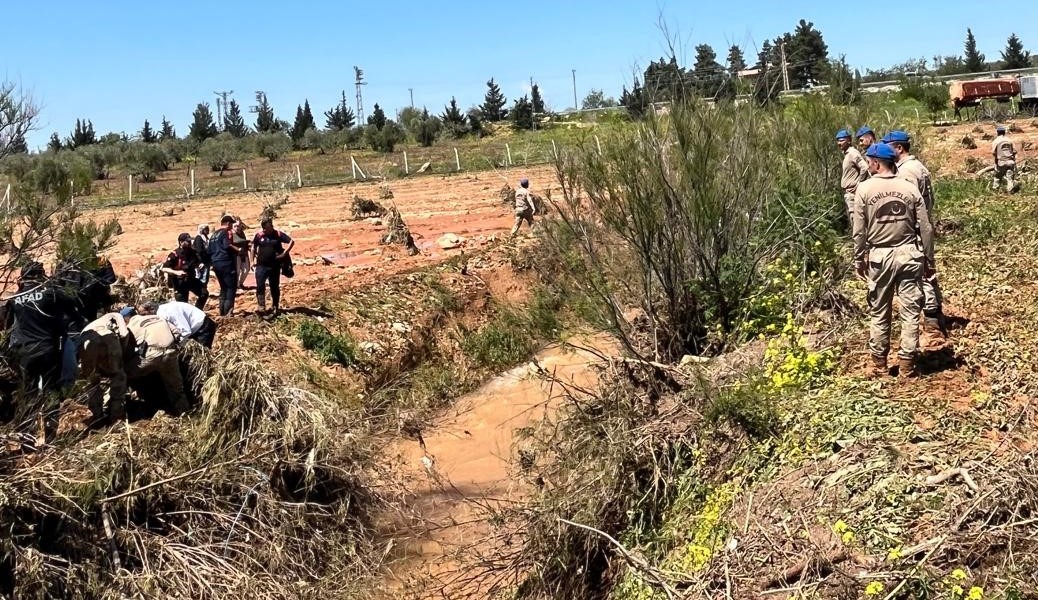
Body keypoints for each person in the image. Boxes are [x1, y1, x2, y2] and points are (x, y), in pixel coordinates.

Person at [852, 143, 934, 378]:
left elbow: (859, 231)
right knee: (910, 310)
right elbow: (926, 228)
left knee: (879, 310)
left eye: (869, 161)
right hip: (909, 254)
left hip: (880, 257)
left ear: (877, 163)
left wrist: (859, 258)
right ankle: (908, 363)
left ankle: (879, 364)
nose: (868, 165)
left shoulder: (864, 189)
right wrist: (929, 259)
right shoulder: (909, 188)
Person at [3, 262, 80, 444]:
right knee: (51, 390)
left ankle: (26, 439)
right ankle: (50, 436)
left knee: (28, 393)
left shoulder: (15, 298)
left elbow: (7, 324)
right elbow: (72, 302)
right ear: (41, 275)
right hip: (47, 349)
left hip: (23, 352)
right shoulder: (51, 293)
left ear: (23, 277)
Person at [883, 130, 945, 346]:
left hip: (915, 232)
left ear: (899, 148)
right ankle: (936, 315)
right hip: (922, 228)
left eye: (889, 146)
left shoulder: (906, 172)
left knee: (922, 277)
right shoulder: (918, 166)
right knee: (928, 273)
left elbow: (907, 205)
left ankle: (932, 322)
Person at [125, 312, 189, 415]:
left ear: (126, 319)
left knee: (126, 373)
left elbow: (127, 348)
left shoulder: (131, 326)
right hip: (170, 352)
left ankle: (135, 403)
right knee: (176, 387)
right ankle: (184, 413)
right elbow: (177, 333)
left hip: (152, 355)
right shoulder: (158, 317)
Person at [78, 311, 133, 423]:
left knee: (91, 380)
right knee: (118, 376)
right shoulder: (116, 315)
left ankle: (96, 414)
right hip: (108, 340)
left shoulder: (91, 325)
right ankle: (116, 415)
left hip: (85, 342)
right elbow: (124, 334)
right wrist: (123, 352)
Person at [251, 217, 294, 315]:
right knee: (260, 285)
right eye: (267, 228)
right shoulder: (259, 236)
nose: (270, 229)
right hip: (261, 266)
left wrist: (285, 253)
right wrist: (252, 261)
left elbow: (291, 241)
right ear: (263, 228)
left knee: (274, 286)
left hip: (274, 266)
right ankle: (261, 307)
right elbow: (253, 247)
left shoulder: (278, 234)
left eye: (271, 227)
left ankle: (275, 306)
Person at [139, 300, 218, 348]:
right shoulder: (162, 311)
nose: (144, 317)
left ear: (150, 309)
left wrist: (177, 346)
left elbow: (186, 331)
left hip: (203, 328)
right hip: (195, 328)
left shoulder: (168, 312)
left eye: (144, 314)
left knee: (201, 356)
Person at [162, 233, 209, 309]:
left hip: (191, 279)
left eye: (190, 241)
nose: (190, 243)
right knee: (183, 305)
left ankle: (197, 311)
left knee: (204, 294)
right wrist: (176, 272)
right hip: (180, 283)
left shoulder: (193, 252)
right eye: (187, 241)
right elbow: (164, 268)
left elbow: (197, 262)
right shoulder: (175, 254)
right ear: (181, 242)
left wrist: (200, 265)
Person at [208, 215, 240, 316]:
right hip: (226, 262)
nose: (231, 226)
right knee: (231, 287)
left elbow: (209, 251)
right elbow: (227, 246)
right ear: (228, 223)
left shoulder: (213, 235)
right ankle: (228, 312)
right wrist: (238, 250)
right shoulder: (225, 232)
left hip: (216, 263)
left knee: (223, 287)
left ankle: (221, 312)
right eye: (231, 224)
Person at [837, 129, 869, 219]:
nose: (839, 143)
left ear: (849, 141)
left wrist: (859, 183)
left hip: (853, 194)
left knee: (855, 220)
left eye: (842, 140)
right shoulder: (847, 154)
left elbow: (864, 167)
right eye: (838, 141)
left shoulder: (852, 153)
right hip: (849, 194)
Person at [992, 124, 1018, 193]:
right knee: (1010, 177)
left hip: (1001, 162)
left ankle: (995, 190)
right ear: (1004, 132)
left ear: (997, 133)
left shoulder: (995, 141)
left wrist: (996, 161)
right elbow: (1014, 151)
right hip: (1010, 162)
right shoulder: (1009, 140)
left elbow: (994, 153)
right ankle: (1010, 191)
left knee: (997, 177)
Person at [233, 219, 252, 290]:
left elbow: (244, 242)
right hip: (236, 255)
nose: (237, 228)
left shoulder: (242, 233)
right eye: (235, 226)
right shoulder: (231, 234)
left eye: (238, 226)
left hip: (244, 254)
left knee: (246, 270)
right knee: (237, 271)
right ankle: (236, 285)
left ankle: (240, 283)